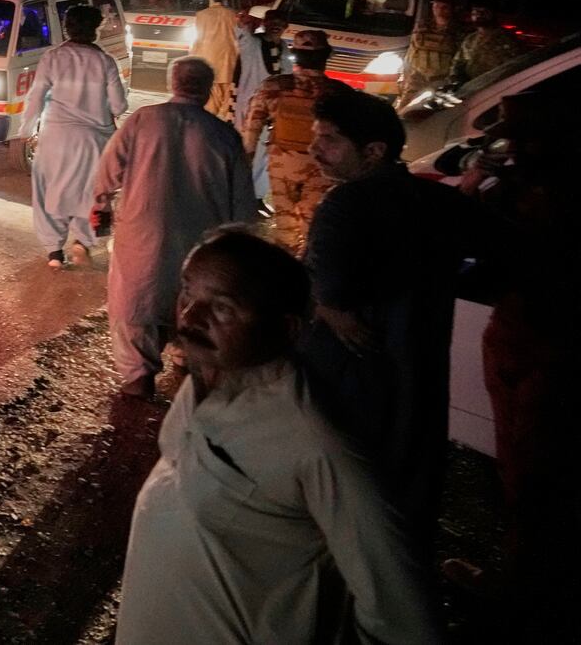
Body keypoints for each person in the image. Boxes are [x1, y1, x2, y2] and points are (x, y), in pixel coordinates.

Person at [116, 229, 442, 645]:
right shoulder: (207, 375)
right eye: (187, 294)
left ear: (286, 329)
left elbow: (403, 611)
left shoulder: (317, 440)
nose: (190, 318)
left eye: (223, 308)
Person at [299, 87, 481, 547]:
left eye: (330, 140)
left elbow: (326, 290)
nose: (314, 149)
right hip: (420, 364)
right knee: (409, 487)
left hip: (354, 373)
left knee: (350, 494)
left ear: (373, 151)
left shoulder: (346, 206)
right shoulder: (435, 200)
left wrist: (322, 306)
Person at [456, 93, 579, 642]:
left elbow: (468, 234)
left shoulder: (536, 197)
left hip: (537, 345)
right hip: (539, 341)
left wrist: (475, 180)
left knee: (530, 481)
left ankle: (520, 601)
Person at [91, 57, 255, 397]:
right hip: (201, 246)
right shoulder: (224, 135)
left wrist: (101, 206)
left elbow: (107, 173)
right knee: (192, 310)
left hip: (142, 237)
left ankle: (139, 383)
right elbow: (243, 208)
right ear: (209, 90)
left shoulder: (142, 120)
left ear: (173, 83)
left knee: (136, 308)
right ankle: (186, 367)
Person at [22, 4, 127, 268]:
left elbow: (35, 97)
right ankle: (82, 242)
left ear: (67, 28)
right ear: (96, 29)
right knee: (88, 195)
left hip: (55, 137)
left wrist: (26, 130)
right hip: (94, 141)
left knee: (47, 194)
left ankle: (54, 253)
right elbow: (119, 106)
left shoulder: (52, 58)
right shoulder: (105, 61)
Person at [240, 29, 348, 254]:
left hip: (282, 168)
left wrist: (244, 167)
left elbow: (251, 131)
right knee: (315, 227)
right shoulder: (340, 94)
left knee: (285, 226)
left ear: (295, 55)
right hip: (323, 168)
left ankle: (284, 270)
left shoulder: (273, 87)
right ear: (326, 55)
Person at [234, 8, 287, 206]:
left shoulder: (282, 48)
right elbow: (242, 37)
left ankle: (256, 197)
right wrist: (243, 24)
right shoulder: (254, 43)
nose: (276, 28)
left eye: (280, 24)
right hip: (249, 107)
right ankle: (240, 193)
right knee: (246, 150)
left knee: (265, 154)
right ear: (264, 24)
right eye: (272, 23)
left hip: (272, 110)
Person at [397, 0, 464, 107]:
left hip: (442, 80)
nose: (439, 11)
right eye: (436, 7)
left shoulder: (459, 32)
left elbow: (461, 60)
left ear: (452, 9)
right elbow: (412, 52)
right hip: (417, 78)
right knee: (404, 109)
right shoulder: (422, 27)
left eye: (444, 7)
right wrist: (404, 76)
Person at [188, 0, 239, 120]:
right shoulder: (234, 15)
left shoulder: (201, 16)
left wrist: (191, 61)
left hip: (209, 67)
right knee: (227, 110)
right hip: (230, 67)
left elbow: (197, 41)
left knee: (209, 110)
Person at [448, 1, 522, 85]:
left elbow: (514, 67)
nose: (479, 15)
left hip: (495, 87)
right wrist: (455, 79)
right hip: (471, 87)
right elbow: (458, 62)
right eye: (475, 13)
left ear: (492, 14)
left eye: (483, 12)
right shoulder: (470, 39)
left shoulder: (507, 39)